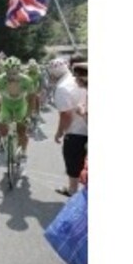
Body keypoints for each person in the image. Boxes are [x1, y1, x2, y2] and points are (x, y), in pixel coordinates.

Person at [51, 58, 88, 197]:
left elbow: (66, 115)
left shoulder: (62, 87)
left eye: (78, 76)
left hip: (76, 132)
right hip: (84, 130)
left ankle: (73, 191)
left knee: (73, 162)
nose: (76, 79)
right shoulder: (84, 85)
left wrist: (59, 132)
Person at [0, 56, 35, 160]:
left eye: (14, 73)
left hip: (21, 105)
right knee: (2, 128)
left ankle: (23, 150)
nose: (11, 76)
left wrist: (29, 115)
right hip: (6, 105)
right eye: (8, 73)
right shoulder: (0, 80)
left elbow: (32, 100)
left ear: (19, 70)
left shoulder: (27, 80)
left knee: (22, 131)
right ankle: (4, 143)